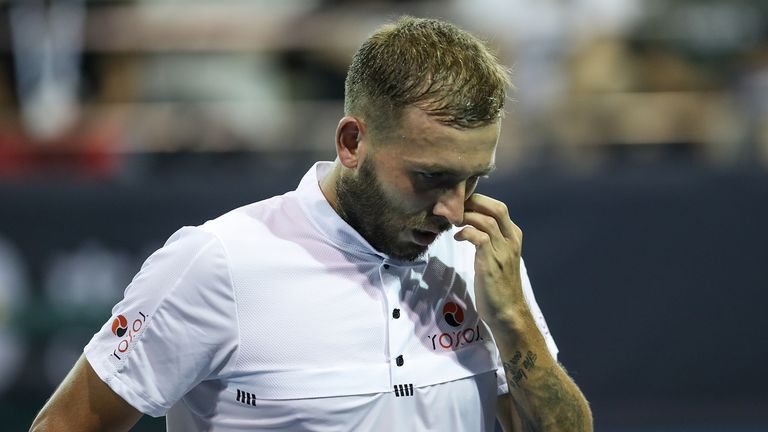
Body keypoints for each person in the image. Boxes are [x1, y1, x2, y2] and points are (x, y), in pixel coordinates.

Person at [30, 16, 592, 432]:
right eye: (429, 177)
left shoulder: (480, 259)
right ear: (352, 142)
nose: (452, 209)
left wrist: (515, 320)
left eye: (474, 179)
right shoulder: (216, 261)